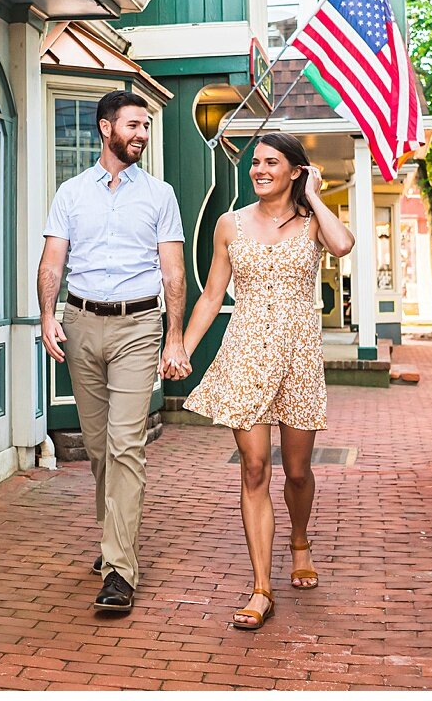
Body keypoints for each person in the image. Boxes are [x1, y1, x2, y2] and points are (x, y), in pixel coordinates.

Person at [181, 132, 355, 630]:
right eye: (254, 162)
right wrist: (183, 351)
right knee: (254, 469)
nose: (258, 169)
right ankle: (261, 588)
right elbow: (213, 295)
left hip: (299, 358)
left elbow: (343, 245)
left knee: (297, 471)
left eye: (271, 162)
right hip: (246, 355)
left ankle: (300, 540)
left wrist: (316, 197)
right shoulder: (229, 225)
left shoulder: (312, 224)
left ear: (295, 170)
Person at [38, 90, 190, 615]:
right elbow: (53, 260)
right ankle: (113, 541)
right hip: (80, 321)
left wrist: (175, 336)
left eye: (145, 126)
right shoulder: (71, 193)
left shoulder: (160, 195)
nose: (142, 134)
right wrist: (46, 314)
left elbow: (173, 270)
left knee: (127, 444)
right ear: (107, 129)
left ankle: (121, 570)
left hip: (138, 325)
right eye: (133, 125)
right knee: (99, 445)